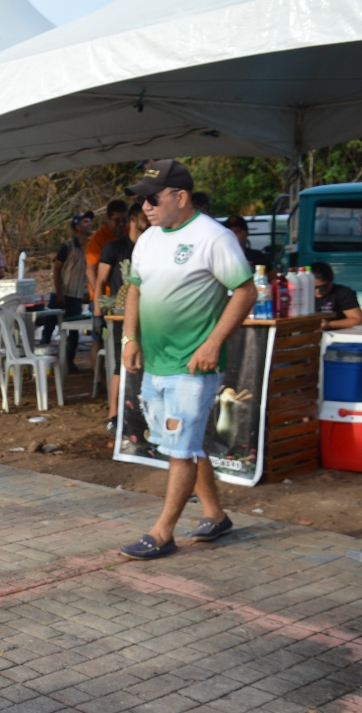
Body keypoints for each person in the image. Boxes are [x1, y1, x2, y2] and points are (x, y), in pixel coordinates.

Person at [120, 159, 256, 560]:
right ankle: (215, 515)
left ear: (181, 197)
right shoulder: (148, 239)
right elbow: (135, 289)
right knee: (183, 444)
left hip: (194, 367)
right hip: (156, 363)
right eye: (141, 200)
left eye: (153, 198)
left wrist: (213, 344)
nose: (145, 206)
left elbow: (245, 291)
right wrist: (130, 338)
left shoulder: (213, 238)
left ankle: (162, 533)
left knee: (181, 450)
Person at [94, 202, 149, 428]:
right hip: (120, 314)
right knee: (120, 363)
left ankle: (141, 413)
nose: (150, 220)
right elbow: (100, 281)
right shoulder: (114, 248)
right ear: (134, 219)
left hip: (149, 313)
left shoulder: (152, 246)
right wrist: (97, 314)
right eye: (145, 216)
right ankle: (113, 415)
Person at [42, 213, 92, 370]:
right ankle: (43, 357)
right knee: (50, 325)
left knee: (74, 330)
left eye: (90, 221)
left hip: (76, 294)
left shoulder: (91, 247)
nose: (90, 224)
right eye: (85, 221)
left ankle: (69, 360)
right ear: (77, 226)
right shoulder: (67, 246)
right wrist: (59, 292)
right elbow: (57, 269)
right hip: (61, 292)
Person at [85, 200, 128, 301]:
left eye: (125, 220)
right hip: (106, 295)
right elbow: (90, 270)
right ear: (108, 218)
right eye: (117, 221)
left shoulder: (130, 231)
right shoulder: (97, 239)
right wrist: (101, 297)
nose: (121, 224)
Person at [312, 262, 361, 330]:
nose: (318, 291)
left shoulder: (343, 293)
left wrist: (329, 324)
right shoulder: (301, 293)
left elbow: (358, 320)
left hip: (332, 334)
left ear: (332, 280)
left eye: (322, 287)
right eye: (313, 287)